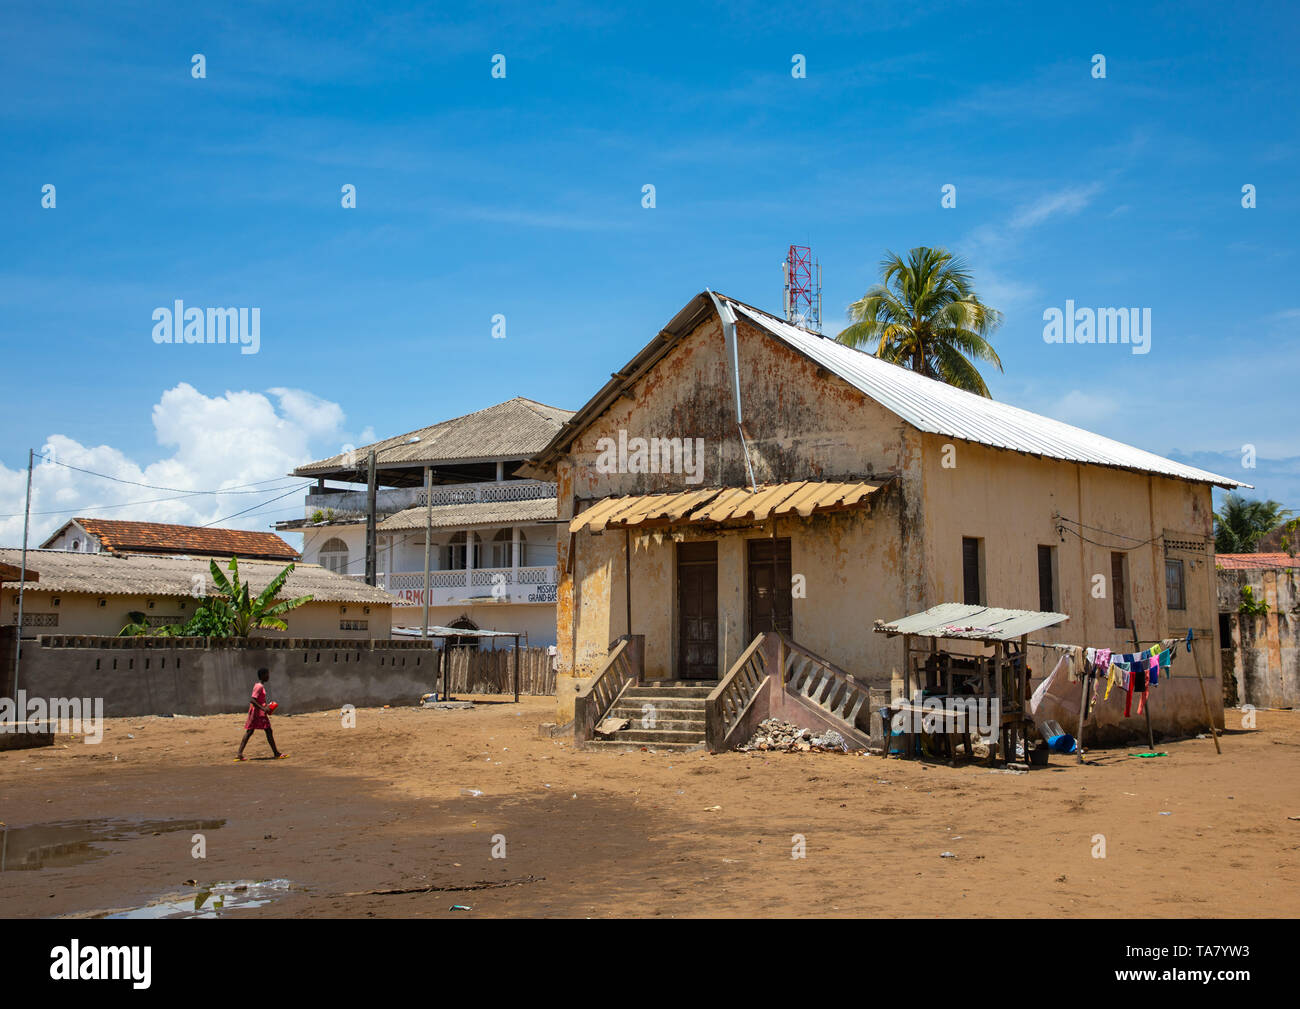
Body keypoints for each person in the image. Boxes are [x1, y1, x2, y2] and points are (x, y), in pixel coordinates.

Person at [235, 667, 286, 760]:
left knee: (251, 731)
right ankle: (276, 753)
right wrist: (263, 708)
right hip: (258, 713)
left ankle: (239, 754)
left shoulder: (258, 685)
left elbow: (257, 700)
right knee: (267, 731)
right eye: (267, 674)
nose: (268, 676)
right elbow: (252, 700)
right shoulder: (259, 686)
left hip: (257, 712)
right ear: (263, 675)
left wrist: (267, 706)